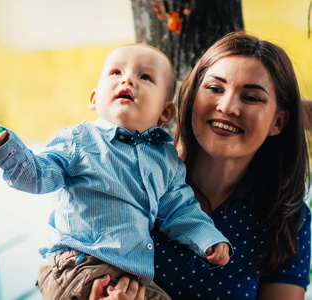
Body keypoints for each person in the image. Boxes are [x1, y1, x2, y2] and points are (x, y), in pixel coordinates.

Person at [0, 43, 231, 300]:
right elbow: (38, 177)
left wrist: (207, 238)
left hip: (130, 278)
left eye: (145, 77)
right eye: (116, 73)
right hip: (77, 264)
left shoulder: (166, 160)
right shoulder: (79, 140)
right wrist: (8, 150)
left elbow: (180, 209)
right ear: (94, 98)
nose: (128, 80)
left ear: (165, 111)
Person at [92, 31, 311, 300]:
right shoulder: (129, 175)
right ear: (192, 97)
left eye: (252, 97)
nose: (227, 106)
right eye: (214, 88)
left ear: (277, 122)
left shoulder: (288, 219)